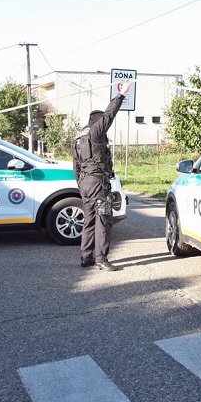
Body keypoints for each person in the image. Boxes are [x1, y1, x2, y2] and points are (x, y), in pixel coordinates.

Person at [73, 78, 133, 271]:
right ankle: (101, 259)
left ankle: (86, 257)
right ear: (98, 122)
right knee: (103, 220)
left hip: (85, 183)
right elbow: (109, 114)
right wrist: (122, 94)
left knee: (89, 220)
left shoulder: (79, 137)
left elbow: (75, 166)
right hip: (99, 184)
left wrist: (81, 184)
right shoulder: (96, 132)